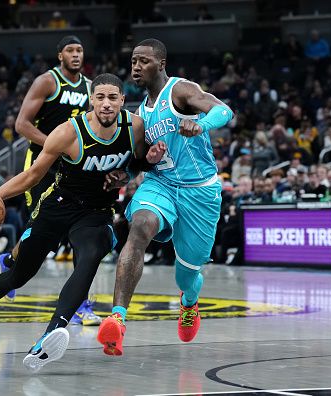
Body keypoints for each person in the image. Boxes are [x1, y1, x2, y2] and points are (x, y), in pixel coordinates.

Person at [0, 74, 153, 372]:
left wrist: (127, 174)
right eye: (100, 97)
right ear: (91, 99)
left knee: (89, 258)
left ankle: (51, 332)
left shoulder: (135, 127)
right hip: (58, 206)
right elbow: (32, 176)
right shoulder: (68, 132)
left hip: (97, 211)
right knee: (20, 275)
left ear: (121, 100)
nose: (106, 104)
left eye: (112, 98)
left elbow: (141, 162)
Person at [96, 39, 233, 356]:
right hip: (161, 184)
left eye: (143, 60)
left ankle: (188, 302)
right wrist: (126, 175)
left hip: (199, 191)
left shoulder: (180, 90)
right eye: (132, 61)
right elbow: (142, 160)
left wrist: (200, 123)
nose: (135, 67)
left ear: (161, 63)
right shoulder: (140, 115)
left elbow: (224, 110)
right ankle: (118, 320)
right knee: (140, 226)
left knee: (186, 275)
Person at [4, 35, 94, 318]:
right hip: (42, 162)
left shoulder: (91, 87)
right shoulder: (47, 81)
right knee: (38, 231)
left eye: (79, 50)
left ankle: (82, 304)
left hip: (73, 165)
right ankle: (10, 263)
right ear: (60, 56)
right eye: (70, 50)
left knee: (81, 233)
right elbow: (22, 124)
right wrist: (54, 146)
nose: (76, 55)